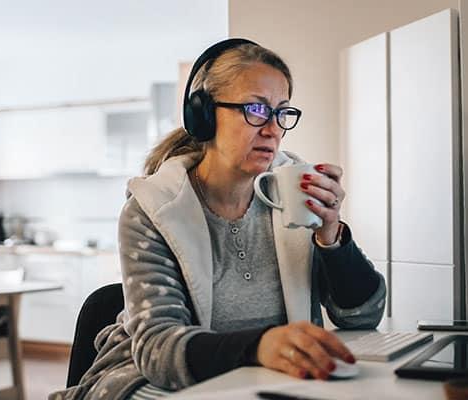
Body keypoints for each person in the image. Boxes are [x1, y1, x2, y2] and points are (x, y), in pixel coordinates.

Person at [50, 38, 385, 400]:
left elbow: (362, 317)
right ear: (204, 115)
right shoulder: (152, 210)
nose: (273, 129)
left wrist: (331, 235)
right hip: (145, 379)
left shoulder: (292, 192)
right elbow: (158, 352)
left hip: (266, 377)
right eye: (256, 109)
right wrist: (260, 346)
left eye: (281, 112)